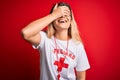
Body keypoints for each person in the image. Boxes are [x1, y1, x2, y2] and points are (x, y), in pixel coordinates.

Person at [21, 2, 90, 80]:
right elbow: (25, 33)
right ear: (53, 21)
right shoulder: (45, 39)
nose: (62, 17)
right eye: (59, 14)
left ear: (71, 20)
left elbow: (81, 77)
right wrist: (53, 15)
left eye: (66, 14)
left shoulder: (77, 45)